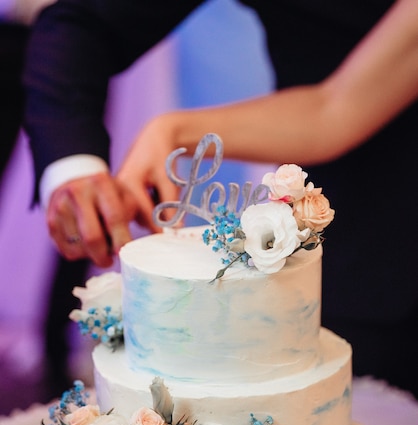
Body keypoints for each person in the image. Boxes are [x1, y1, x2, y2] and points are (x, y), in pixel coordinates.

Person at [22, 0, 418, 397]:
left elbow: (335, 111)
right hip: (353, 265)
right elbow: (85, 21)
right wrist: (74, 167)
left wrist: (174, 130)